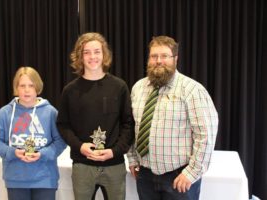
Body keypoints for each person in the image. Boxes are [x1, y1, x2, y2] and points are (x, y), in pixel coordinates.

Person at [127, 36, 219, 200]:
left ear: (175, 59)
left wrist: (191, 173)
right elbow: (132, 127)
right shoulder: (138, 88)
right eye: (154, 56)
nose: (159, 61)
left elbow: (206, 135)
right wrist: (133, 159)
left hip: (178, 178)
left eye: (164, 56)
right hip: (145, 176)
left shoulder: (192, 90)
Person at [56, 32, 134, 200]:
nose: (92, 56)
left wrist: (114, 152)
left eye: (97, 51)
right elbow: (63, 125)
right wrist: (79, 146)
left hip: (114, 165)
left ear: (104, 54)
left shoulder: (119, 87)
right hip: (83, 165)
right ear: (80, 56)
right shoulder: (70, 91)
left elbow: (128, 124)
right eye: (87, 52)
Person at [0, 66, 67, 200]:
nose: (26, 90)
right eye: (22, 85)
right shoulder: (4, 113)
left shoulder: (51, 113)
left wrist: (42, 154)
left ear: (37, 87)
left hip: (45, 178)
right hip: (16, 179)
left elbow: (60, 142)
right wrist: (12, 152)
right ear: (16, 88)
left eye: (31, 85)